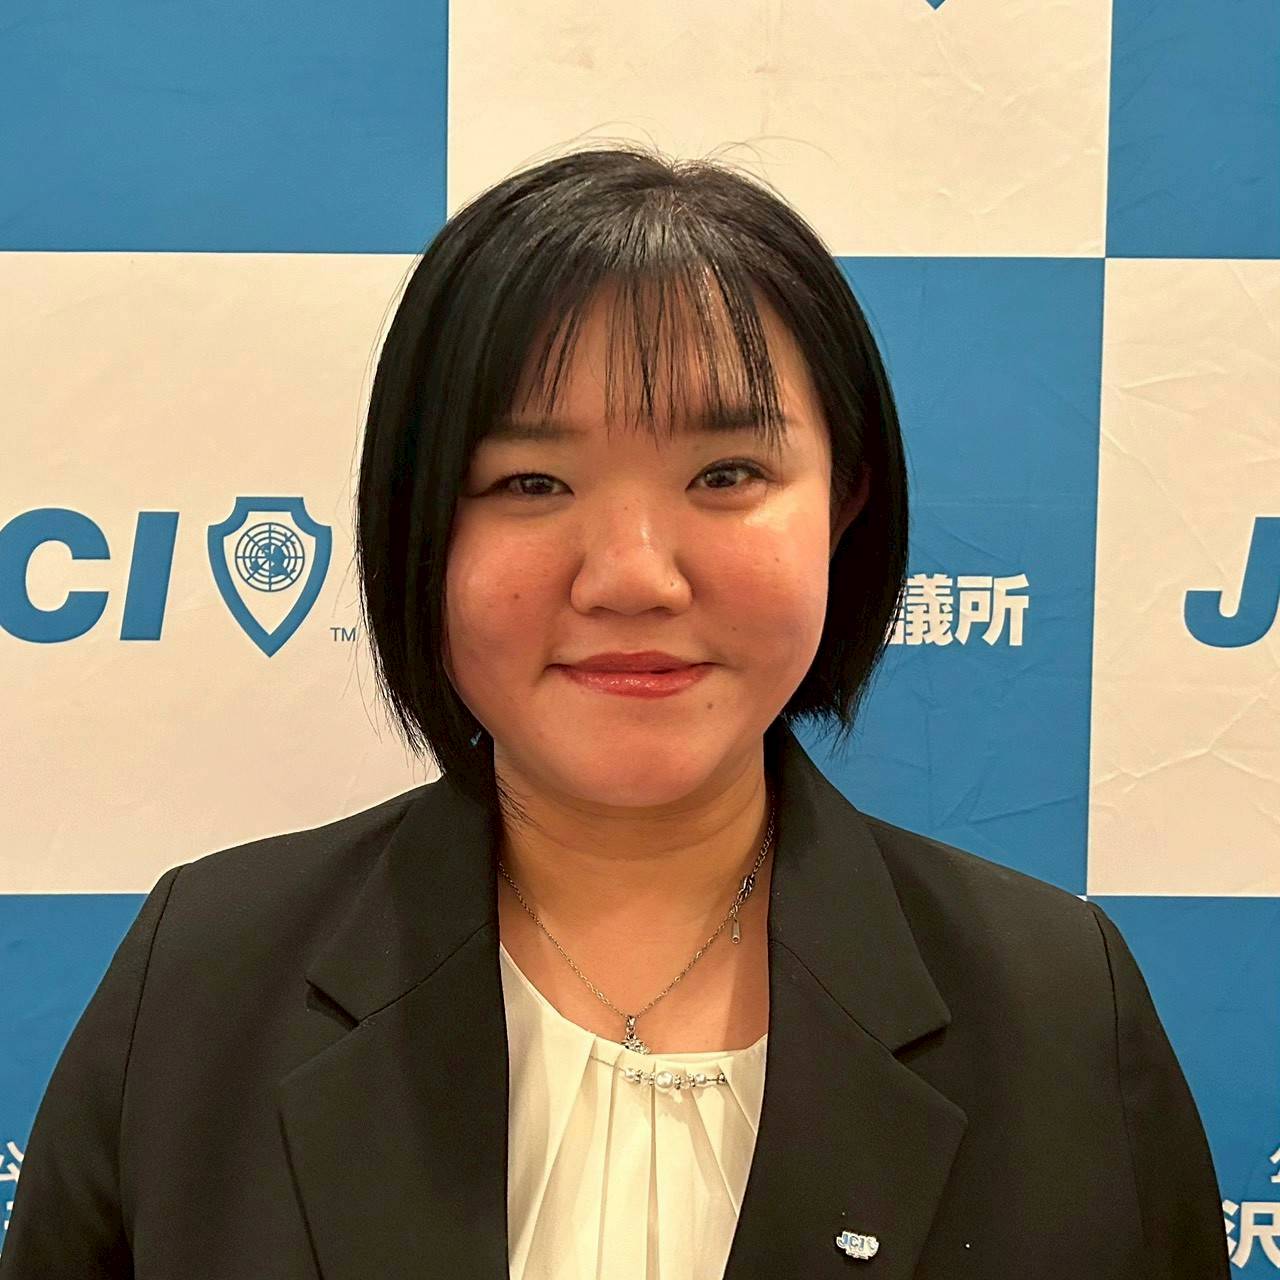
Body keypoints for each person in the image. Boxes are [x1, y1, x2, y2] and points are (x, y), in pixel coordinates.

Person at [1, 145, 1228, 1280]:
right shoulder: (206, 977)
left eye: (725, 474)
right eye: (530, 481)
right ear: (418, 521)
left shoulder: (1058, 1005)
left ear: (844, 501)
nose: (633, 574)